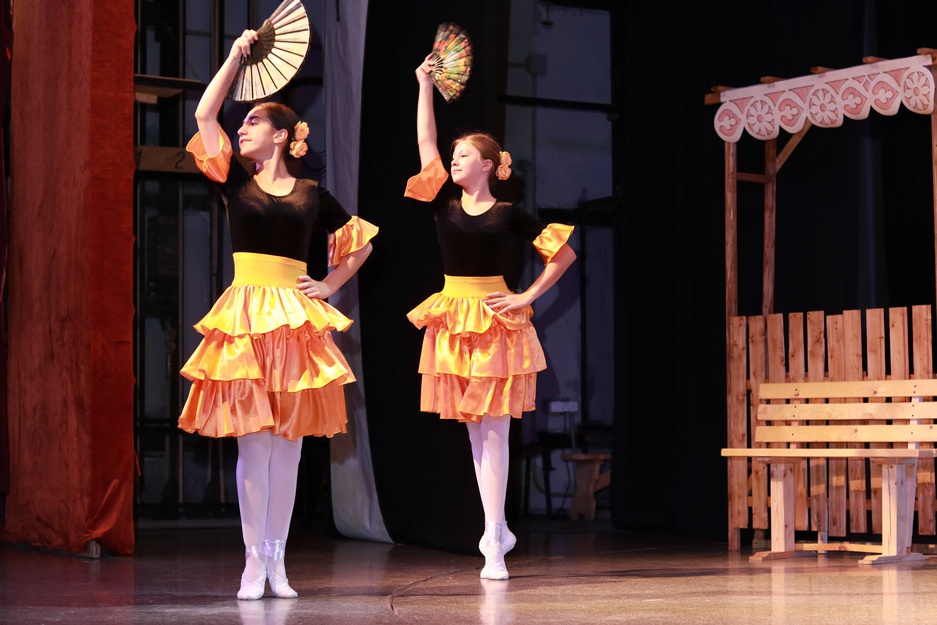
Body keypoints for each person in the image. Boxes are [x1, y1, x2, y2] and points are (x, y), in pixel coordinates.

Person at [177, 29, 377, 601]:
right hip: (245, 315)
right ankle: (250, 563)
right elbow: (205, 113)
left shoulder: (312, 193)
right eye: (242, 123)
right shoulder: (234, 178)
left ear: (283, 135)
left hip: (294, 318)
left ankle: (277, 560)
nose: (242, 128)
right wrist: (234, 57)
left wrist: (330, 284)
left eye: (254, 121)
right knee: (254, 444)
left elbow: (360, 242)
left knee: (288, 447)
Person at [404, 54, 577, 580]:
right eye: (453, 155)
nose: (453, 161)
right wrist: (424, 85)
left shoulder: (507, 214)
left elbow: (564, 255)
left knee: (495, 432)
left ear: (487, 165)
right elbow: (426, 142)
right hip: (453, 320)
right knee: (475, 435)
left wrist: (526, 296)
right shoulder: (443, 203)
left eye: (463, 156)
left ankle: (494, 538)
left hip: (496, 320)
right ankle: (495, 530)